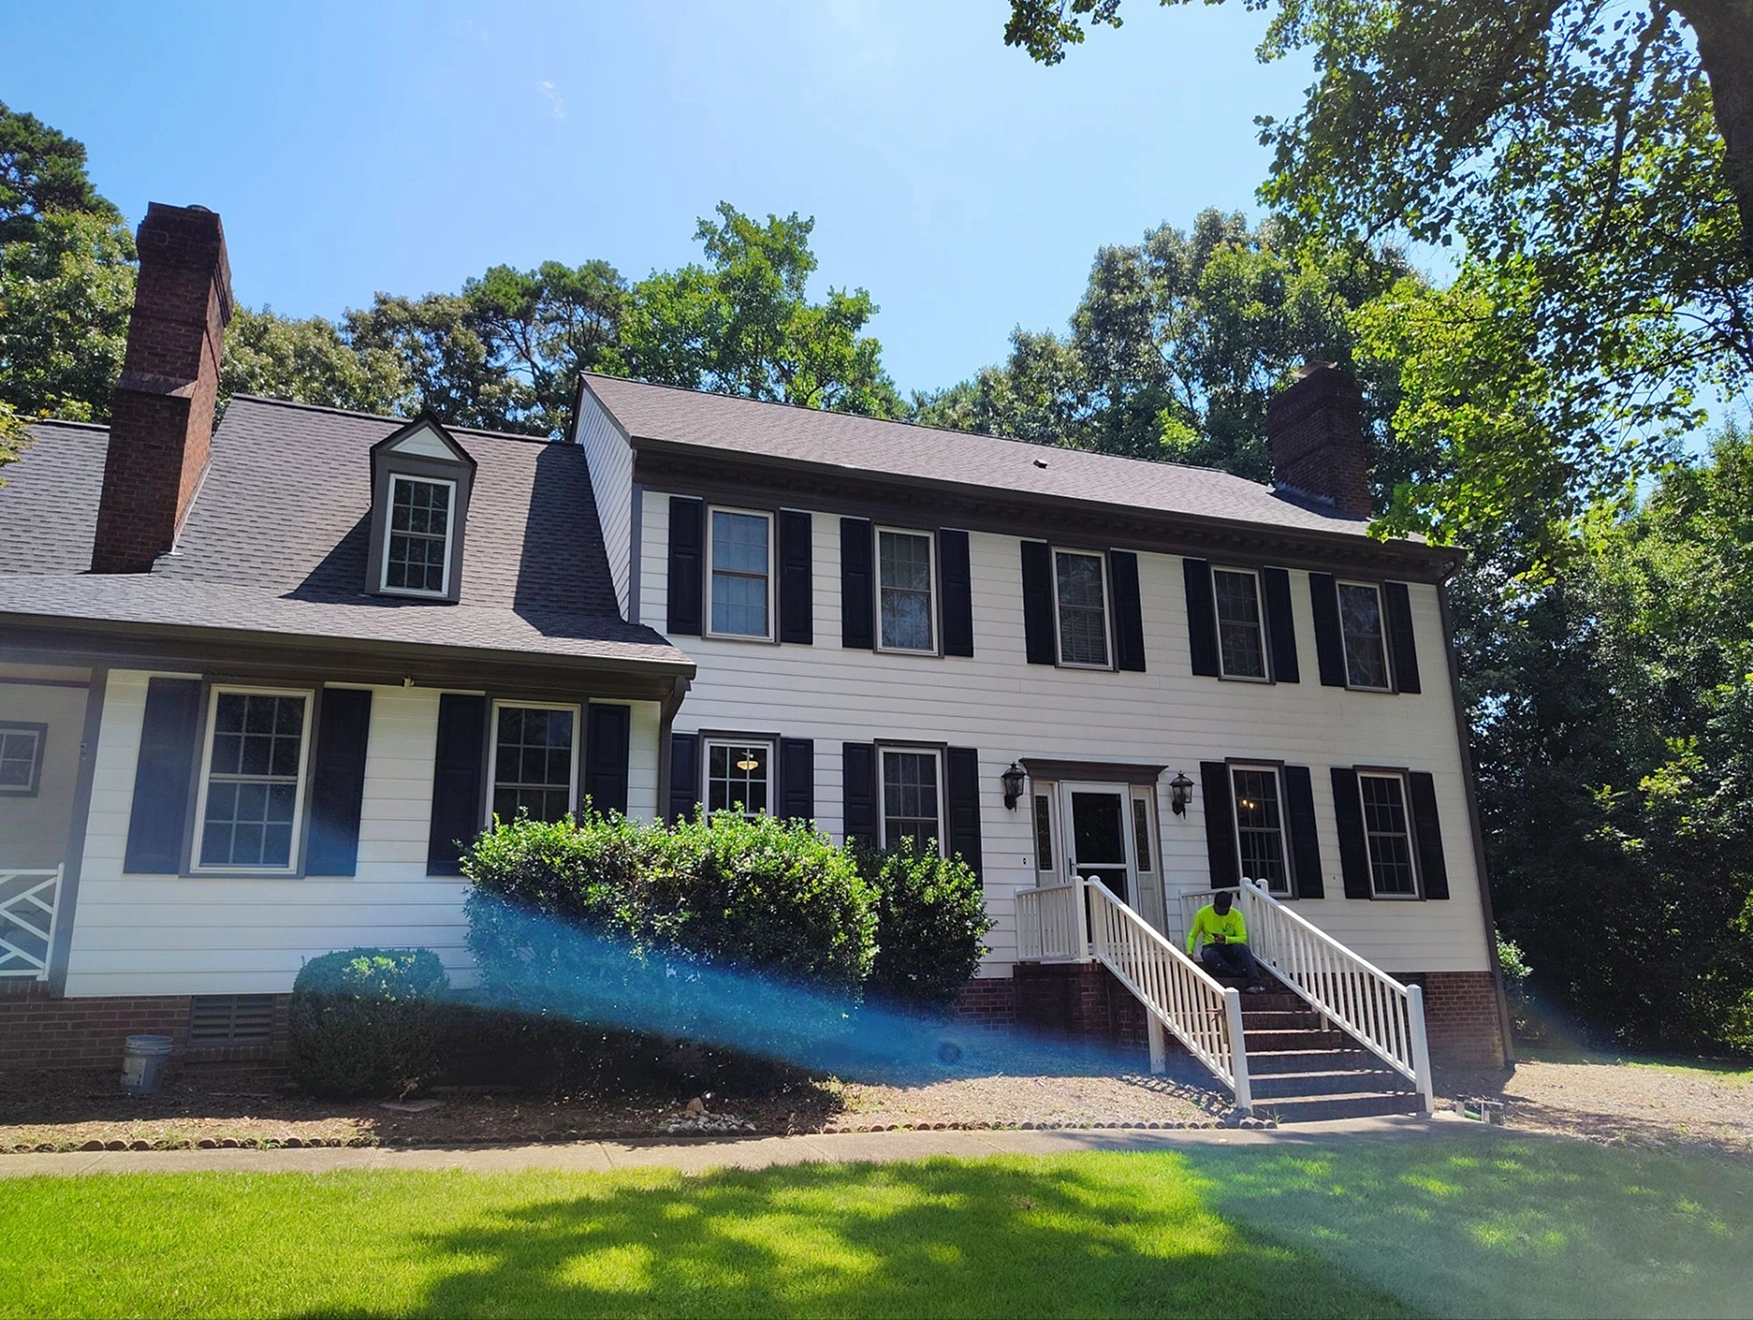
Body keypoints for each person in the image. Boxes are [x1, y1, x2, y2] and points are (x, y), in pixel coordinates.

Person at [1185, 891, 1266, 991]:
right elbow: (1192, 935)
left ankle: (1256, 982)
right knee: (1208, 955)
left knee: (1243, 949)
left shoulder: (1236, 915)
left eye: (1225, 910)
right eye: (1219, 910)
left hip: (1230, 945)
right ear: (1214, 905)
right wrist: (1189, 951)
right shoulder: (1202, 913)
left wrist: (1226, 939)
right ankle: (1239, 972)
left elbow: (1242, 937)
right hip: (1211, 946)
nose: (1222, 913)